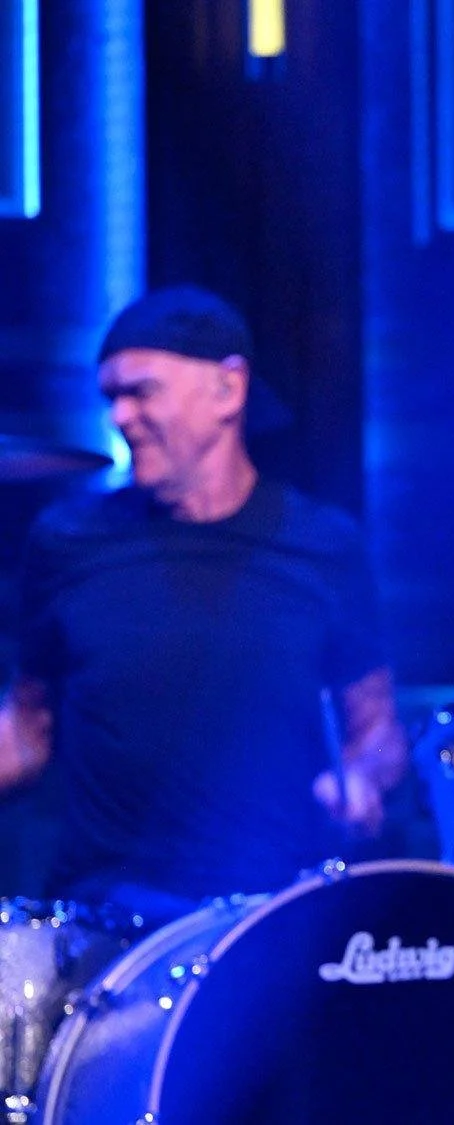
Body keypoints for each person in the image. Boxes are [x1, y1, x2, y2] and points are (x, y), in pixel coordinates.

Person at [0, 286, 406, 922]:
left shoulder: (322, 545)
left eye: (141, 392)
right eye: (111, 397)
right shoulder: (67, 541)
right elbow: (26, 732)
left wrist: (361, 778)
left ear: (228, 390)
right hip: (106, 919)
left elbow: (376, 729)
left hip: (271, 920)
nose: (121, 416)